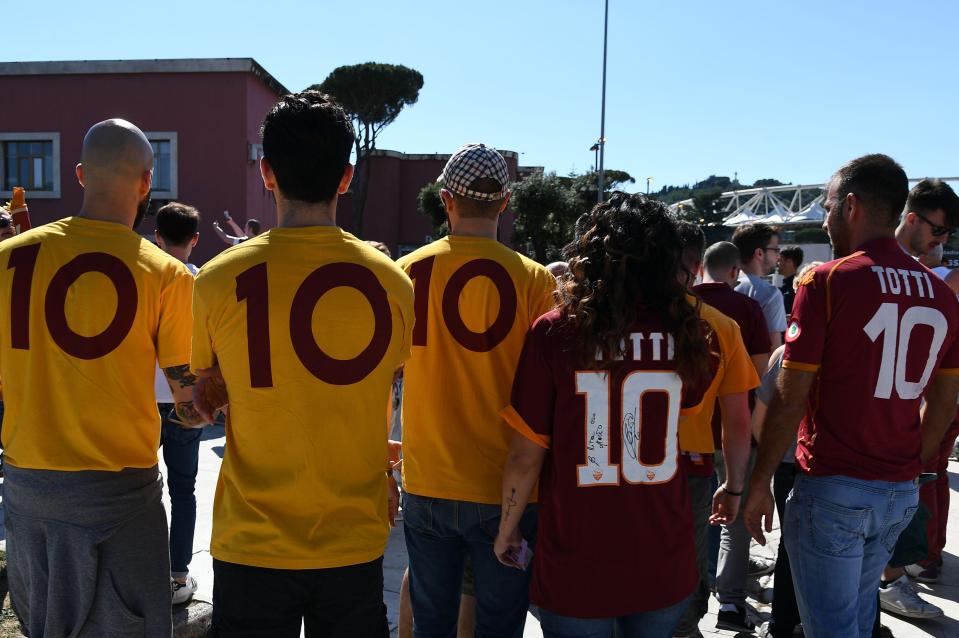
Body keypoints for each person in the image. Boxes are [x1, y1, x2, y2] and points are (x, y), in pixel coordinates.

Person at [190, 91, 413, 636]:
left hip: (252, 537)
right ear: (346, 177)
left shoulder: (215, 278)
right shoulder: (395, 283)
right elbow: (388, 385)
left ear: (266, 172)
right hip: (351, 534)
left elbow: (204, 398)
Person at [494, 193, 738, 637]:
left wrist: (507, 528)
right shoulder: (693, 333)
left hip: (578, 557)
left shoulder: (555, 330)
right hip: (663, 552)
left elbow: (526, 454)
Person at [0, 118, 206, 636]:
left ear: (79, 175)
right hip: (117, 496)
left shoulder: (7, 258)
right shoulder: (166, 274)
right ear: (146, 183)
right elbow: (189, 404)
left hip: (27, 490)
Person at [743, 154, 959, 638]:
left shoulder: (828, 280)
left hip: (835, 487)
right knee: (859, 619)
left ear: (853, 206)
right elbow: (944, 403)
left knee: (833, 628)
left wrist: (759, 481)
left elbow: (791, 393)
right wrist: (910, 468)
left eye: (828, 205)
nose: (824, 216)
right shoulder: (942, 295)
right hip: (899, 489)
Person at [397, 143, 556, 637]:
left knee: (431, 625)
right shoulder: (536, 279)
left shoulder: (406, 271)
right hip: (507, 486)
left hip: (428, 480)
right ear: (504, 203)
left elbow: (388, 378)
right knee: (500, 627)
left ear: (446, 200)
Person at [680, 238, 772, 634]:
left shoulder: (677, 310)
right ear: (735, 271)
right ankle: (730, 603)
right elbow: (762, 374)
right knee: (731, 516)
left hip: (689, 434)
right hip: (733, 427)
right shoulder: (744, 311)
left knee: (692, 525)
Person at [152, 201, 203, 605]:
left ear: (157, 237)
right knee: (183, 489)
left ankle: (139, 568)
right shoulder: (200, 282)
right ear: (195, 239)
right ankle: (176, 576)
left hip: (140, 397)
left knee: (137, 488)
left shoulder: (145, 275)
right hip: (183, 399)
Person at [732, 223, 786, 348]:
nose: (778, 255)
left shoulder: (723, 285)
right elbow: (773, 349)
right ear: (759, 253)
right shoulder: (770, 294)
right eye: (775, 249)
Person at [778, 246, 803, 315]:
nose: (777, 264)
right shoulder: (785, 288)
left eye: (780, 260)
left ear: (789, 261)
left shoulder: (797, 289)